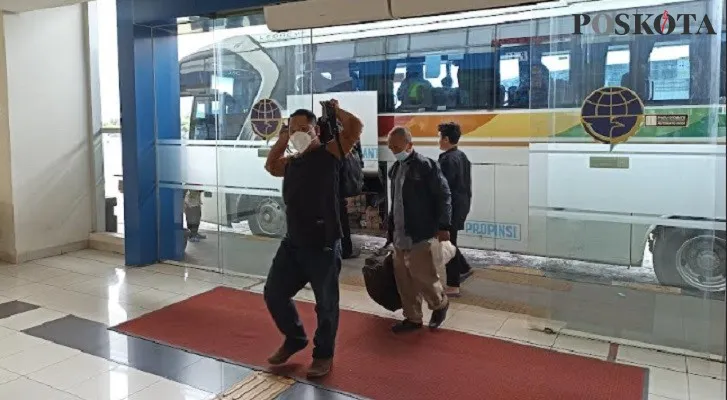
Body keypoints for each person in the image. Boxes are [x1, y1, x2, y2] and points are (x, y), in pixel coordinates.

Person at [263, 100, 363, 378]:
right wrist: (283, 138)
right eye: (293, 129)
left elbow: (355, 128)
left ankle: (323, 355)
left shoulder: (331, 152)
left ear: (316, 129)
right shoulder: (294, 161)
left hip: (324, 244)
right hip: (293, 243)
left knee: (326, 304)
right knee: (274, 293)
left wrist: (337, 110)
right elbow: (271, 166)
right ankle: (295, 337)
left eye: (303, 128)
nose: (298, 133)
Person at [386, 126, 452, 333]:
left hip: (420, 233)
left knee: (424, 277)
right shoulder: (395, 168)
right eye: (390, 147)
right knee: (404, 281)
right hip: (399, 234)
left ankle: (440, 303)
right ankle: (413, 318)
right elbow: (395, 202)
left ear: (409, 145)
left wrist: (443, 225)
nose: (393, 150)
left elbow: (443, 196)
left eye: (397, 146)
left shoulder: (426, 166)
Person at [437, 122, 473, 297]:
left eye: (439, 137)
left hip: (450, 209)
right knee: (450, 242)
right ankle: (464, 268)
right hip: (461, 206)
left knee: (447, 244)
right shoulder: (462, 156)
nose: (439, 140)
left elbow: (443, 189)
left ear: (445, 139)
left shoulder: (447, 160)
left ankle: (453, 284)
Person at [340, 140, 364, 259]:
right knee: (341, 218)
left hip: (336, 187)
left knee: (338, 217)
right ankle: (345, 249)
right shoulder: (348, 137)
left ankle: (343, 249)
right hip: (341, 187)